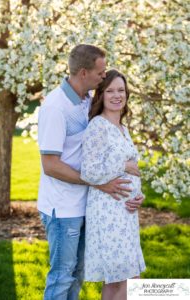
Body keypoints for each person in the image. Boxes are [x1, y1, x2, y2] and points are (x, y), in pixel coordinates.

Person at [38, 44, 144, 300]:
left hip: (87, 203)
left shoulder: (85, 100)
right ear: (84, 72)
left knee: (77, 276)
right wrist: (100, 182)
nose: (102, 76)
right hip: (62, 207)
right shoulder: (55, 107)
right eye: (100, 72)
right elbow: (50, 165)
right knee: (63, 276)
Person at [81, 69, 146, 300]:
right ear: (101, 95)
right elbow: (88, 171)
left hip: (126, 214)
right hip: (108, 213)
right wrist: (123, 166)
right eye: (110, 91)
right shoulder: (97, 126)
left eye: (121, 90)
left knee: (117, 281)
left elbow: (133, 169)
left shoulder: (123, 128)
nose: (117, 95)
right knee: (128, 281)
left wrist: (139, 196)